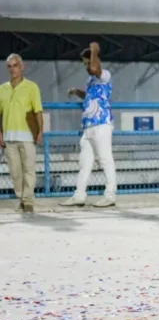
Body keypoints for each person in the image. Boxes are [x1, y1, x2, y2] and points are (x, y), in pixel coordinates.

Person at [60, 42, 117, 208]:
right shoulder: (91, 80)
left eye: (88, 62)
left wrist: (94, 50)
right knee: (84, 162)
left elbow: (94, 68)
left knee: (105, 159)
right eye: (84, 64)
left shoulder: (104, 74)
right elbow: (90, 95)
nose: (86, 67)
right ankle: (79, 195)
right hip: (89, 126)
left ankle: (110, 195)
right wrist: (77, 92)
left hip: (102, 123)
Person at [0, 54, 43, 213]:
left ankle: (28, 201)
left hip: (27, 136)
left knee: (29, 169)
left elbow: (38, 110)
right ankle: (21, 198)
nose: (12, 69)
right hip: (9, 137)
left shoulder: (32, 87)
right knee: (15, 172)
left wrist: (40, 131)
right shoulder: (2, 89)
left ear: (22, 67)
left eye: (15, 65)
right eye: (9, 66)